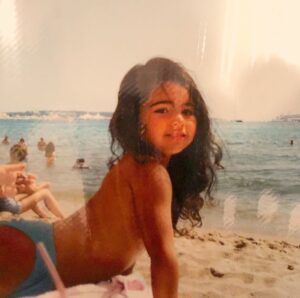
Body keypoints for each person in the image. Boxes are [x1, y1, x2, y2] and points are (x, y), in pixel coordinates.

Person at [0, 57, 222, 297]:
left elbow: (121, 246)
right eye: (163, 109)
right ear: (137, 119)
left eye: (187, 111)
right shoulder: (151, 174)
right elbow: (163, 261)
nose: (178, 120)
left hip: (40, 252)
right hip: (31, 255)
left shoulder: (137, 166)